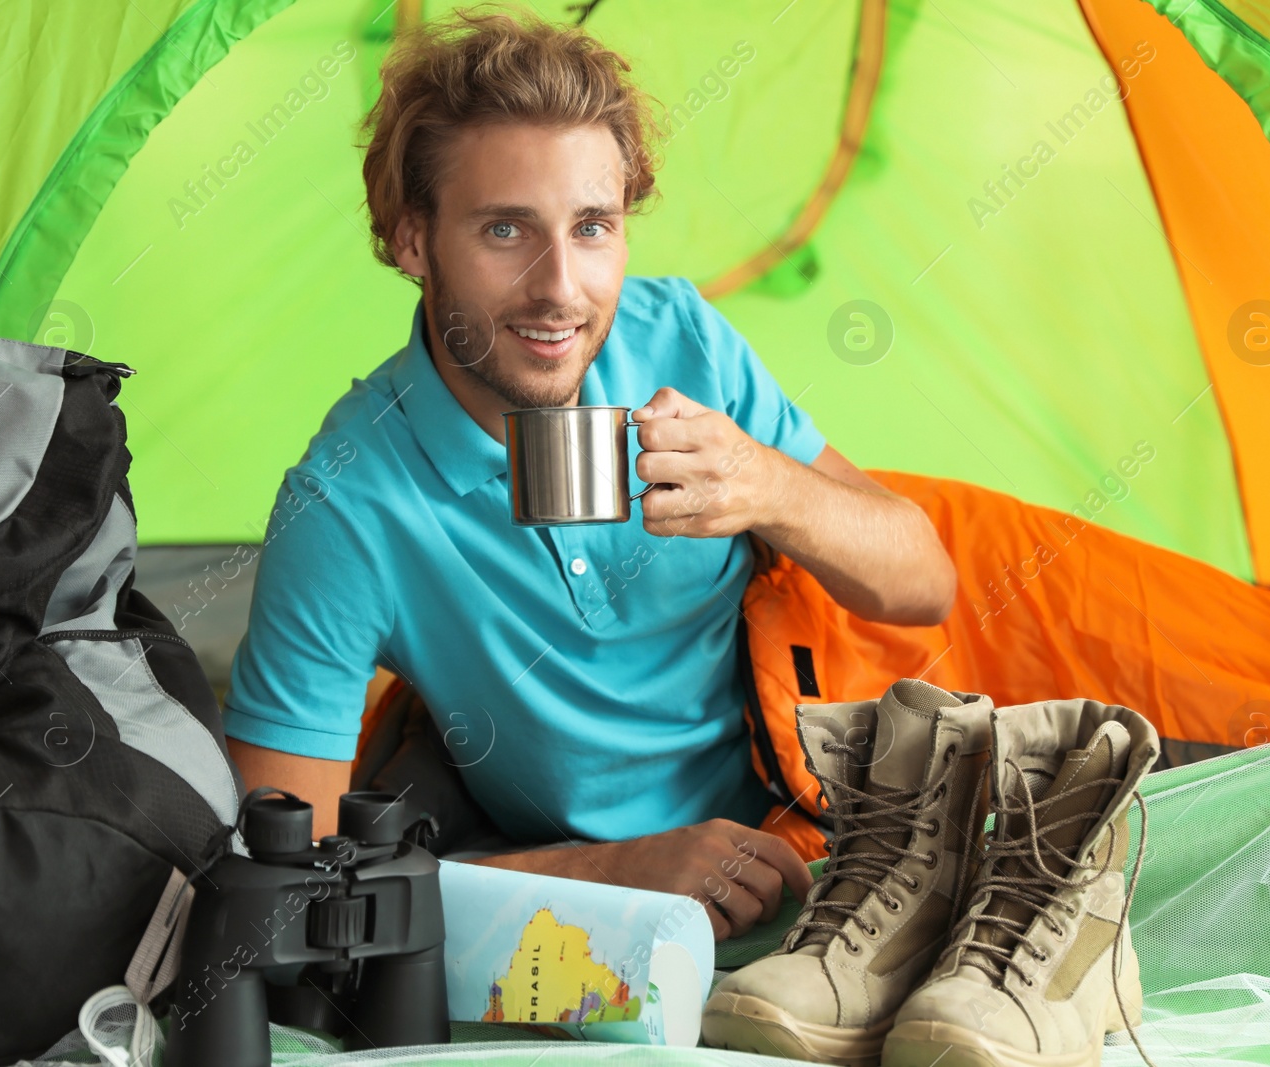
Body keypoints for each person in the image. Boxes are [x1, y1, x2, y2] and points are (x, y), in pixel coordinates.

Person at [221, 7, 957, 941]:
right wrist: (609, 874)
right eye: (504, 230)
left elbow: (924, 583)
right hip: (614, 900)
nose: (560, 288)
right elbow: (279, 867)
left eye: (593, 227)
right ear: (412, 242)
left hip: (820, 803)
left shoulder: (682, 339)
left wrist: (767, 484)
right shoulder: (347, 502)